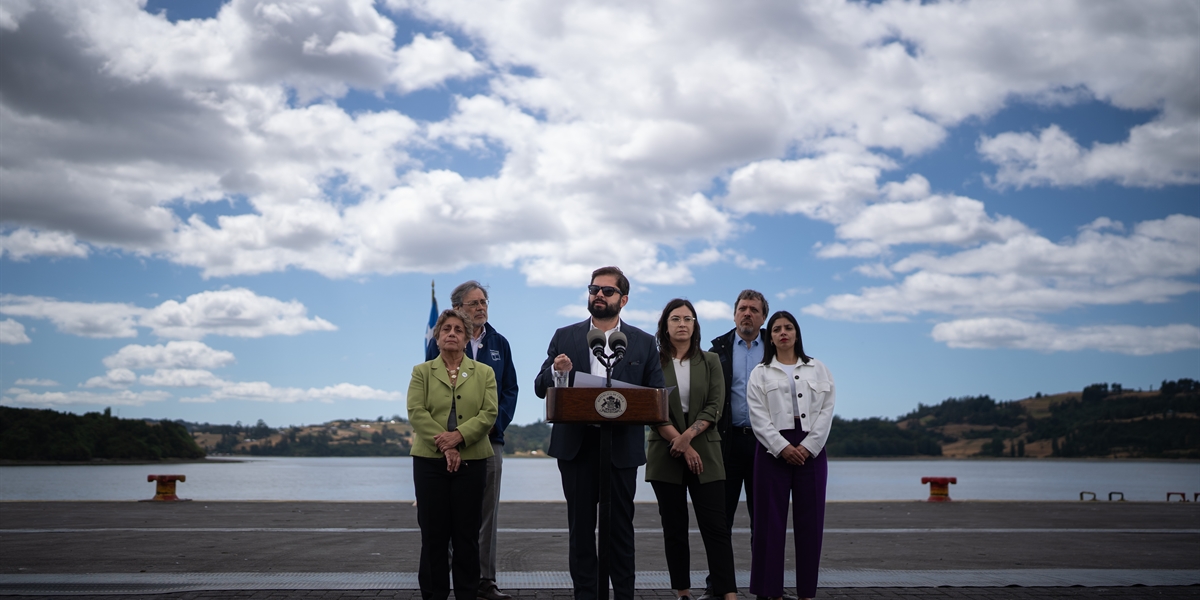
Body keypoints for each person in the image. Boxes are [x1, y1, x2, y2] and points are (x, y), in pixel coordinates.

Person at [533, 266, 666, 600]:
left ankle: (623, 595)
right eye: (594, 289)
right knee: (580, 531)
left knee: (620, 530)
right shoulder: (564, 336)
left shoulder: (644, 342)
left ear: (624, 299)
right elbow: (540, 387)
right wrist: (556, 372)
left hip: (621, 448)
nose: (599, 295)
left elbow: (656, 395)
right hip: (577, 447)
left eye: (607, 291)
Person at [425, 281, 519, 600]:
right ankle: (447, 578)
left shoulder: (500, 343)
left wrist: (493, 425)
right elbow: (431, 387)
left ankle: (484, 580)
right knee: (447, 512)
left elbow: (509, 391)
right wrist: (447, 437)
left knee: (486, 513)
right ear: (457, 309)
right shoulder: (441, 340)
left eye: (484, 302)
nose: (481, 308)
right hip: (447, 442)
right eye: (474, 303)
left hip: (489, 441)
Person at [646, 299, 737, 600]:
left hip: (706, 452)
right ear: (665, 325)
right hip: (665, 452)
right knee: (674, 528)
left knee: (716, 527)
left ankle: (727, 592)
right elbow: (651, 409)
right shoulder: (653, 361)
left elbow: (715, 406)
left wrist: (689, 438)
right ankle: (682, 592)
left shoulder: (710, 361)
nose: (682, 323)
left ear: (696, 325)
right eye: (675, 318)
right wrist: (681, 444)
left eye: (688, 318)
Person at [409, 309, 499, 600]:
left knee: (466, 536)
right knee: (433, 536)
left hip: (473, 461)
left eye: (458, 330)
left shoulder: (484, 372)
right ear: (437, 337)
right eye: (445, 329)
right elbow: (416, 412)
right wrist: (445, 446)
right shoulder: (421, 372)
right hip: (428, 462)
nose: (451, 333)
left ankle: (467, 595)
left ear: (468, 336)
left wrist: (458, 438)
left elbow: (489, 413)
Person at [746, 311, 836, 600]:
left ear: (797, 333)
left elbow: (826, 410)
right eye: (776, 329)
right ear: (769, 336)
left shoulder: (818, 368)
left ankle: (807, 592)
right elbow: (758, 417)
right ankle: (770, 592)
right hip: (772, 450)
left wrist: (809, 446)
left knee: (811, 523)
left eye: (788, 327)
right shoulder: (760, 373)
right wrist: (781, 446)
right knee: (768, 524)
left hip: (812, 448)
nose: (782, 332)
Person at [704, 290, 773, 600]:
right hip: (726, 444)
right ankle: (717, 588)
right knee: (721, 522)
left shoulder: (776, 347)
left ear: (763, 317)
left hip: (766, 446)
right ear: (734, 314)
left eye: (754, 310)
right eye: (743, 308)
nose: (747, 313)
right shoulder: (717, 349)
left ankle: (765, 587)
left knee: (764, 523)